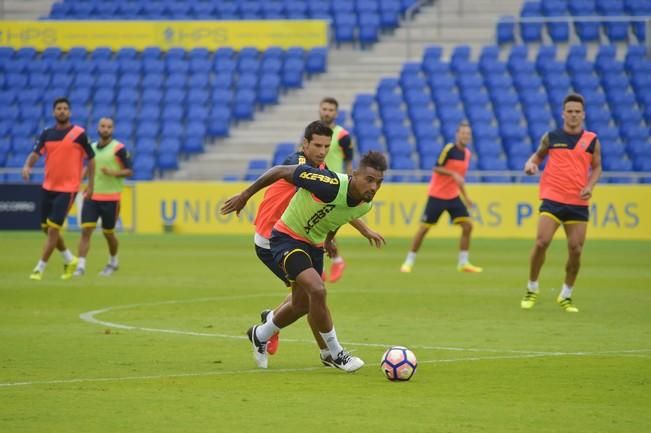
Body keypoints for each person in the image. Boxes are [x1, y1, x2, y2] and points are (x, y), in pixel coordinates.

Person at [221, 148, 387, 372]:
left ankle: (260, 334)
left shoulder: (364, 204)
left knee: (301, 304)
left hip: (314, 246)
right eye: (369, 180)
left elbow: (340, 214)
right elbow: (280, 171)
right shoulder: (328, 183)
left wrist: (330, 239)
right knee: (317, 291)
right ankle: (336, 353)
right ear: (354, 174)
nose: (373, 187)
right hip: (286, 238)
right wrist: (244, 196)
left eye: (379, 182)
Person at [253, 121, 378, 364]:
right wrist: (244, 195)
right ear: (305, 144)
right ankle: (280, 329)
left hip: (302, 238)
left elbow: (341, 202)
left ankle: (271, 326)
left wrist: (358, 230)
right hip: (272, 238)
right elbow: (278, 172)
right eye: (317, 145)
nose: (322, 151)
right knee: (312, 295)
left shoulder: (322, 168)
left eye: (326, 146)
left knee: (309, 297)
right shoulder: (296, 163)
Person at [520, 93, 602, 313]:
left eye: (577, 112)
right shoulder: (552, 137)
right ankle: (532, 287)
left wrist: (590, 186)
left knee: (575, 249)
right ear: (563, 113)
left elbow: (597, 167)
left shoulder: (591, 140)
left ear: (583, 115)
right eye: (570, 111)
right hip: (553, 197)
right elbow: (537, 157)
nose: (573, 115)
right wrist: (530, 165)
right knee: (541, 242)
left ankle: (566, 294)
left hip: (578, 202)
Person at [22, 97, 95, 280]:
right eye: (58, 108)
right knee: (47, 229)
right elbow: (35, 153)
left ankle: (39, 268)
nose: (62, 111)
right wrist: (27, 166)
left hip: (68, 188)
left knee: (53, 229)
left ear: (69, 112)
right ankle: (69, 259)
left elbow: (91, 159)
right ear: (54, 112)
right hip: (48, 187)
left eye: (65, 108)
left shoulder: (79, 133)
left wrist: (91, 184)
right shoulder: (47, 133)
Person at [400, 121, 483, 273]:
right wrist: (452, 173)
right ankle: (408, 261)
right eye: (463, 133)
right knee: (424, 229)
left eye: (468, 134)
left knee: (468, 226)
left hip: (453, 196)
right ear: (458, 134)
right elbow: (436, 167)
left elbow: (460, 179)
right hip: (437, 195)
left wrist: (466, 197)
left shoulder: (467, 154)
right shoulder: (449, 149)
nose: (466, 136)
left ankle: (463, 263)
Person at [71, 117, 132, 278]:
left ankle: (113, 261)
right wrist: (79, 180)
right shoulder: (91, 148)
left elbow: (129, 171)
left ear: (112, 130)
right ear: (98, 128)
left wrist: (114, 173)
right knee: (86, 231)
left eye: (109, 127)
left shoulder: (119, 148)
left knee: (108, 233)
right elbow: (88, 167)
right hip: (91, 196)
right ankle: (81, 266)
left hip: (111, 199)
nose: (105, 129)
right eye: (103, 126)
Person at [318, 97, 354, 282]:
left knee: (321, 225)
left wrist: (350, 184)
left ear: (336, 113)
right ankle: (327, 264)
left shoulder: (342, 136)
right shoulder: (313, 132)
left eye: (331, 110)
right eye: (324, 109)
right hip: (314, 181)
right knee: (316, 226)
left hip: (334, 184)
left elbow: (349, 162)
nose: (327, 112)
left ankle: (332, 262)